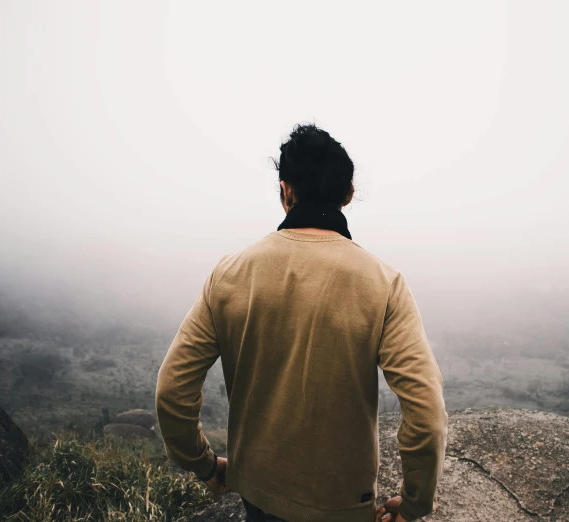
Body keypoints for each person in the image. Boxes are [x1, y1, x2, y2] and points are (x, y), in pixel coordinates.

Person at [155, 123, 448, 522]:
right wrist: (414, 502)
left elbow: (172, 391)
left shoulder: (230, 273)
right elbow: (427, 416)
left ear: (285, 190)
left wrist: (204, 464)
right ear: (347, 194)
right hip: (344, 504)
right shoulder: (384, 284)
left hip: (256, 492)